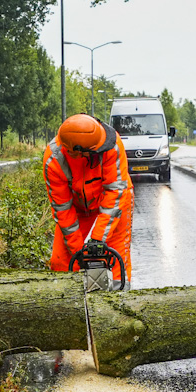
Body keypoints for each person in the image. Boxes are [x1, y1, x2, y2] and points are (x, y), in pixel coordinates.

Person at [43, 114, 133, 289]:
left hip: (112, 204)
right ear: (75, 152)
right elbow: (63, 209)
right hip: (76, 208)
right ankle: (68, 304)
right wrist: (79, 253)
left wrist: (98, 240)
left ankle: (120, 302)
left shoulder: (111, 144)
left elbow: (116, 192)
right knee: (61, 261)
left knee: (116, 257)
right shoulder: (53, 161)